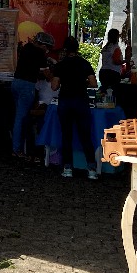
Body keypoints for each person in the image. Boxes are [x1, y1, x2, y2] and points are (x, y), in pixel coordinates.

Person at [50, 37, 98, 179]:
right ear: (77, 48)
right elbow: (94, 84)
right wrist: (82, 83)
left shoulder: (61, 65)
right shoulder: (84, 64)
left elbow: (54, 86)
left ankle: (67, 168)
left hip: (65, 101)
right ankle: (91, 169)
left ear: (65, 49)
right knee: (85, 135)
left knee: (66, 135)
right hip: (81, 101)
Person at [11, 32, 53, 160]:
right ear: (43, 45)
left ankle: (17, 147)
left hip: (16, 83)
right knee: (22, 118)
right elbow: (47, 75)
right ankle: (17, 149)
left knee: (18, 116)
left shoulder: (26, 48)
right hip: (27, 85)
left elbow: (31, 67)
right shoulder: (39, 53)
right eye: (47, 47)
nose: (48, 50)